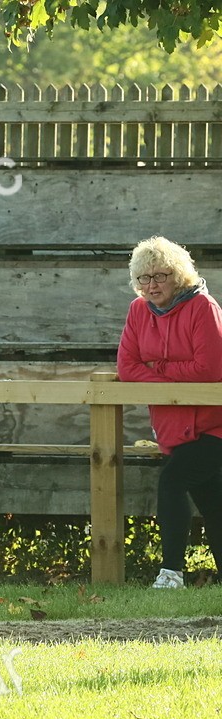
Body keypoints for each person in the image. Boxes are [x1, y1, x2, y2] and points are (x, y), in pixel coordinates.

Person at [117, 236, 222, 589]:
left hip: (214, 424)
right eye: (143, 278)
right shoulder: (137, 310)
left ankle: (171, 573)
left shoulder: (203, 307)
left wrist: (158, 368)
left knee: (172, 482)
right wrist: (175, 369)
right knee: (213, 502)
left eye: (159, 276)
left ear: (178, 275)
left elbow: (209, 369)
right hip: (172, 427)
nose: (150, 285)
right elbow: (128, 367)